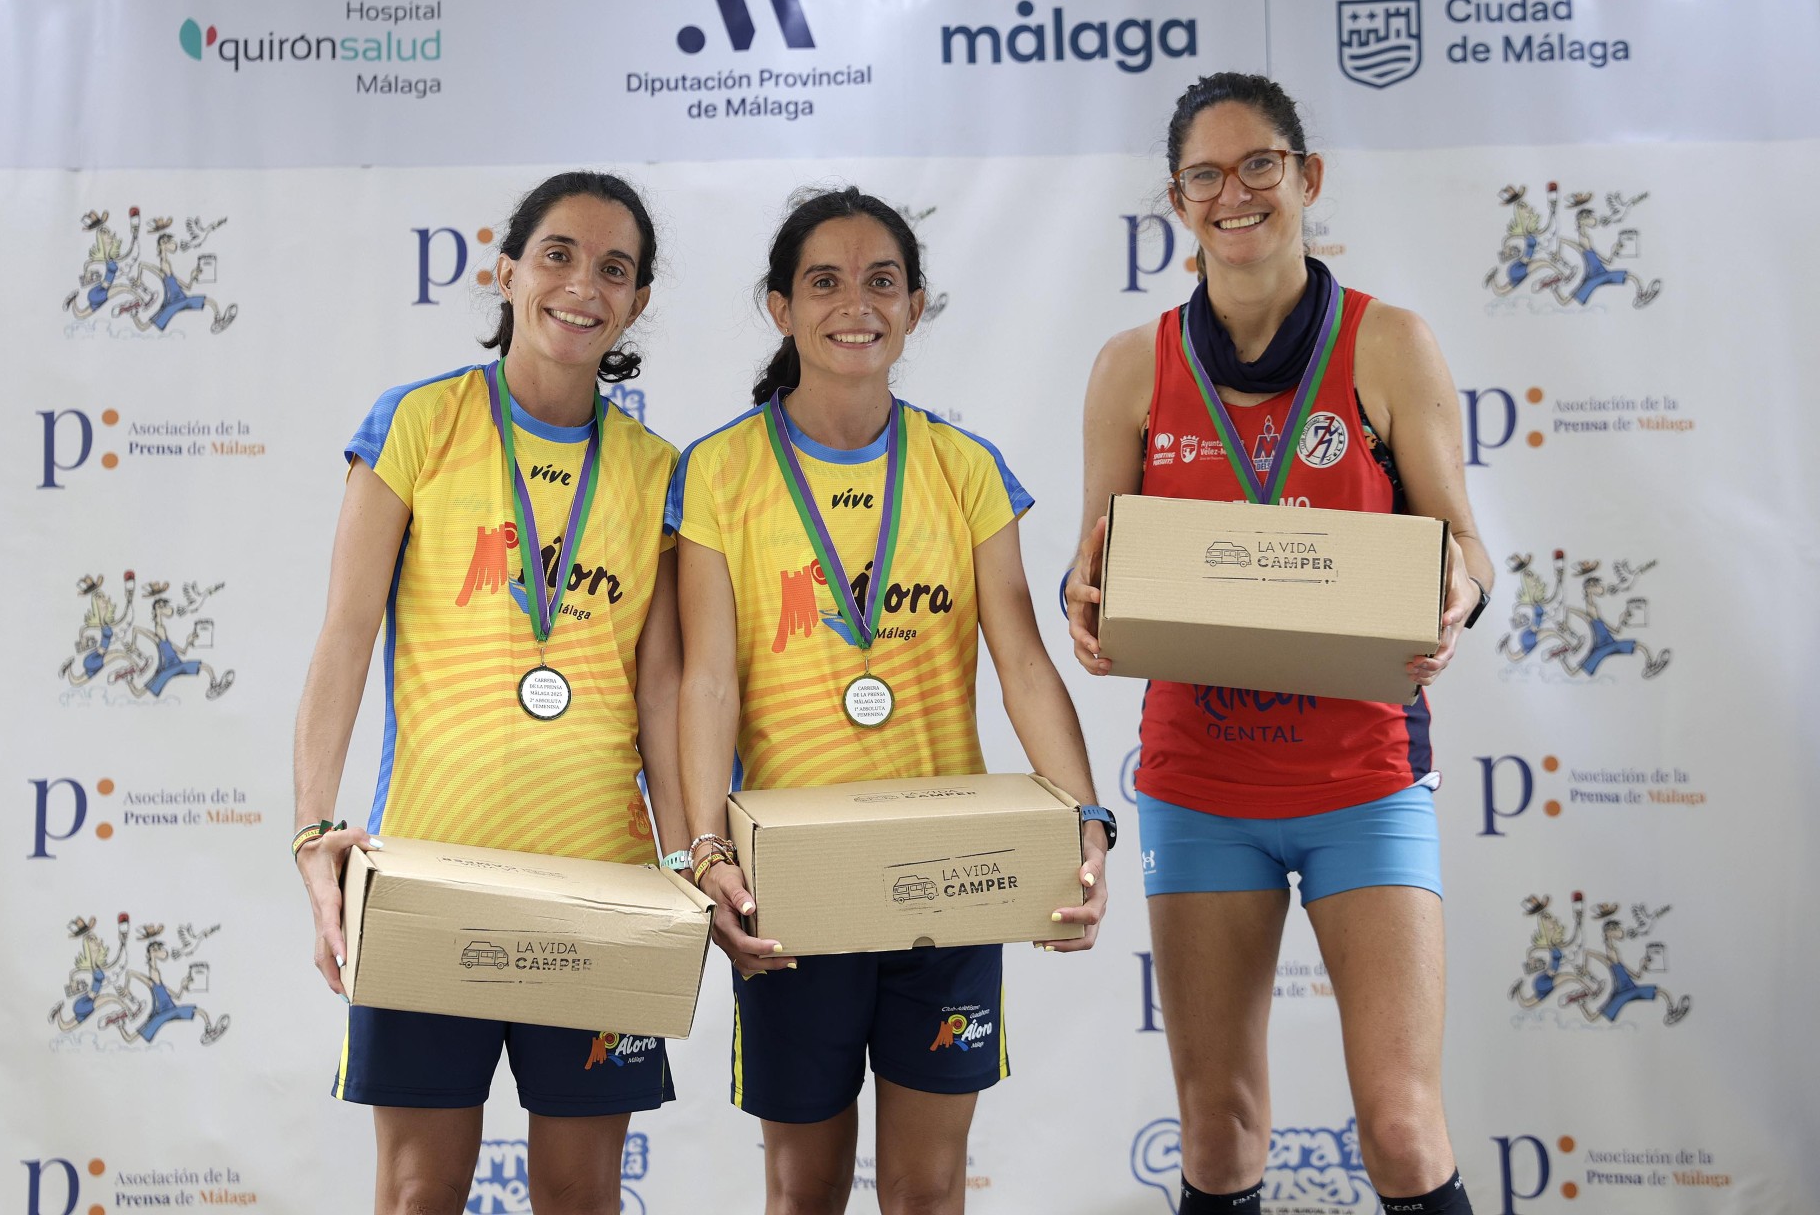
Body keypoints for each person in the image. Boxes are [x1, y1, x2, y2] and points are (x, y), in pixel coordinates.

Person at [1065, 73, 1493, 1215]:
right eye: (1205, 175)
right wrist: (1085, 601)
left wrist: (1456, 589)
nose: (1235, 193)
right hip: (1202, 781)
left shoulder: (1388, 344)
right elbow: (1096, 559)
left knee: (1401, 1127)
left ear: (1308, 177)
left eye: (1260, 164)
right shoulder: (1131, 365)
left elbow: (1464, 546)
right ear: (1177, 200)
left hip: (1364, 775)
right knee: (1217, 1130)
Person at [672, 187, 1114, 1215]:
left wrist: (1086, 822)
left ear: (914, 306)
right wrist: (706, 850)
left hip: (948, 877)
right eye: (824, 281)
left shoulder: (965, 468)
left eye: (882, 281)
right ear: (781, 307)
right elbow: (707, 682)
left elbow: (1023, 663)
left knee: (927, 1188)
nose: (855, 304)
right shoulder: (719, 471)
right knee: (804, 1188)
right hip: (792, 888)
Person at [292, 172, 689, 1215]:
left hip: (600, 883)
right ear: (506, 271)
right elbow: (344, 636)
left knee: (581, 1194)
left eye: (615, 268)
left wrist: (693, 858)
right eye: (559, 254)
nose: (583, 285)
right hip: (429, 870)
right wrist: (314, 831)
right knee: (418, 1190)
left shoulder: (657, 470)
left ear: (638, 301)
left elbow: (662, 694)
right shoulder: (418, 422)